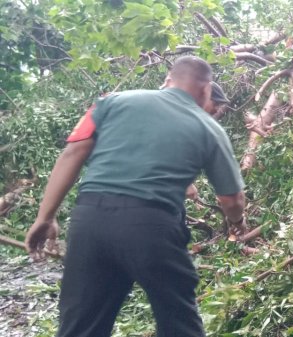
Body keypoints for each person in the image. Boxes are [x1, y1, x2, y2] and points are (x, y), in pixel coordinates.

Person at [24, 56, 247, 337]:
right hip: (152, 227)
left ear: (167, 80)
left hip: (89, 221)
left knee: (81, 325)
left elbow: (73, 153)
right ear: (206, 89)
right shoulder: (210, 128)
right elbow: (232, 200)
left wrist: (46, 217)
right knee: (179, 321)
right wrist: (237, 222)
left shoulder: (110, 101)